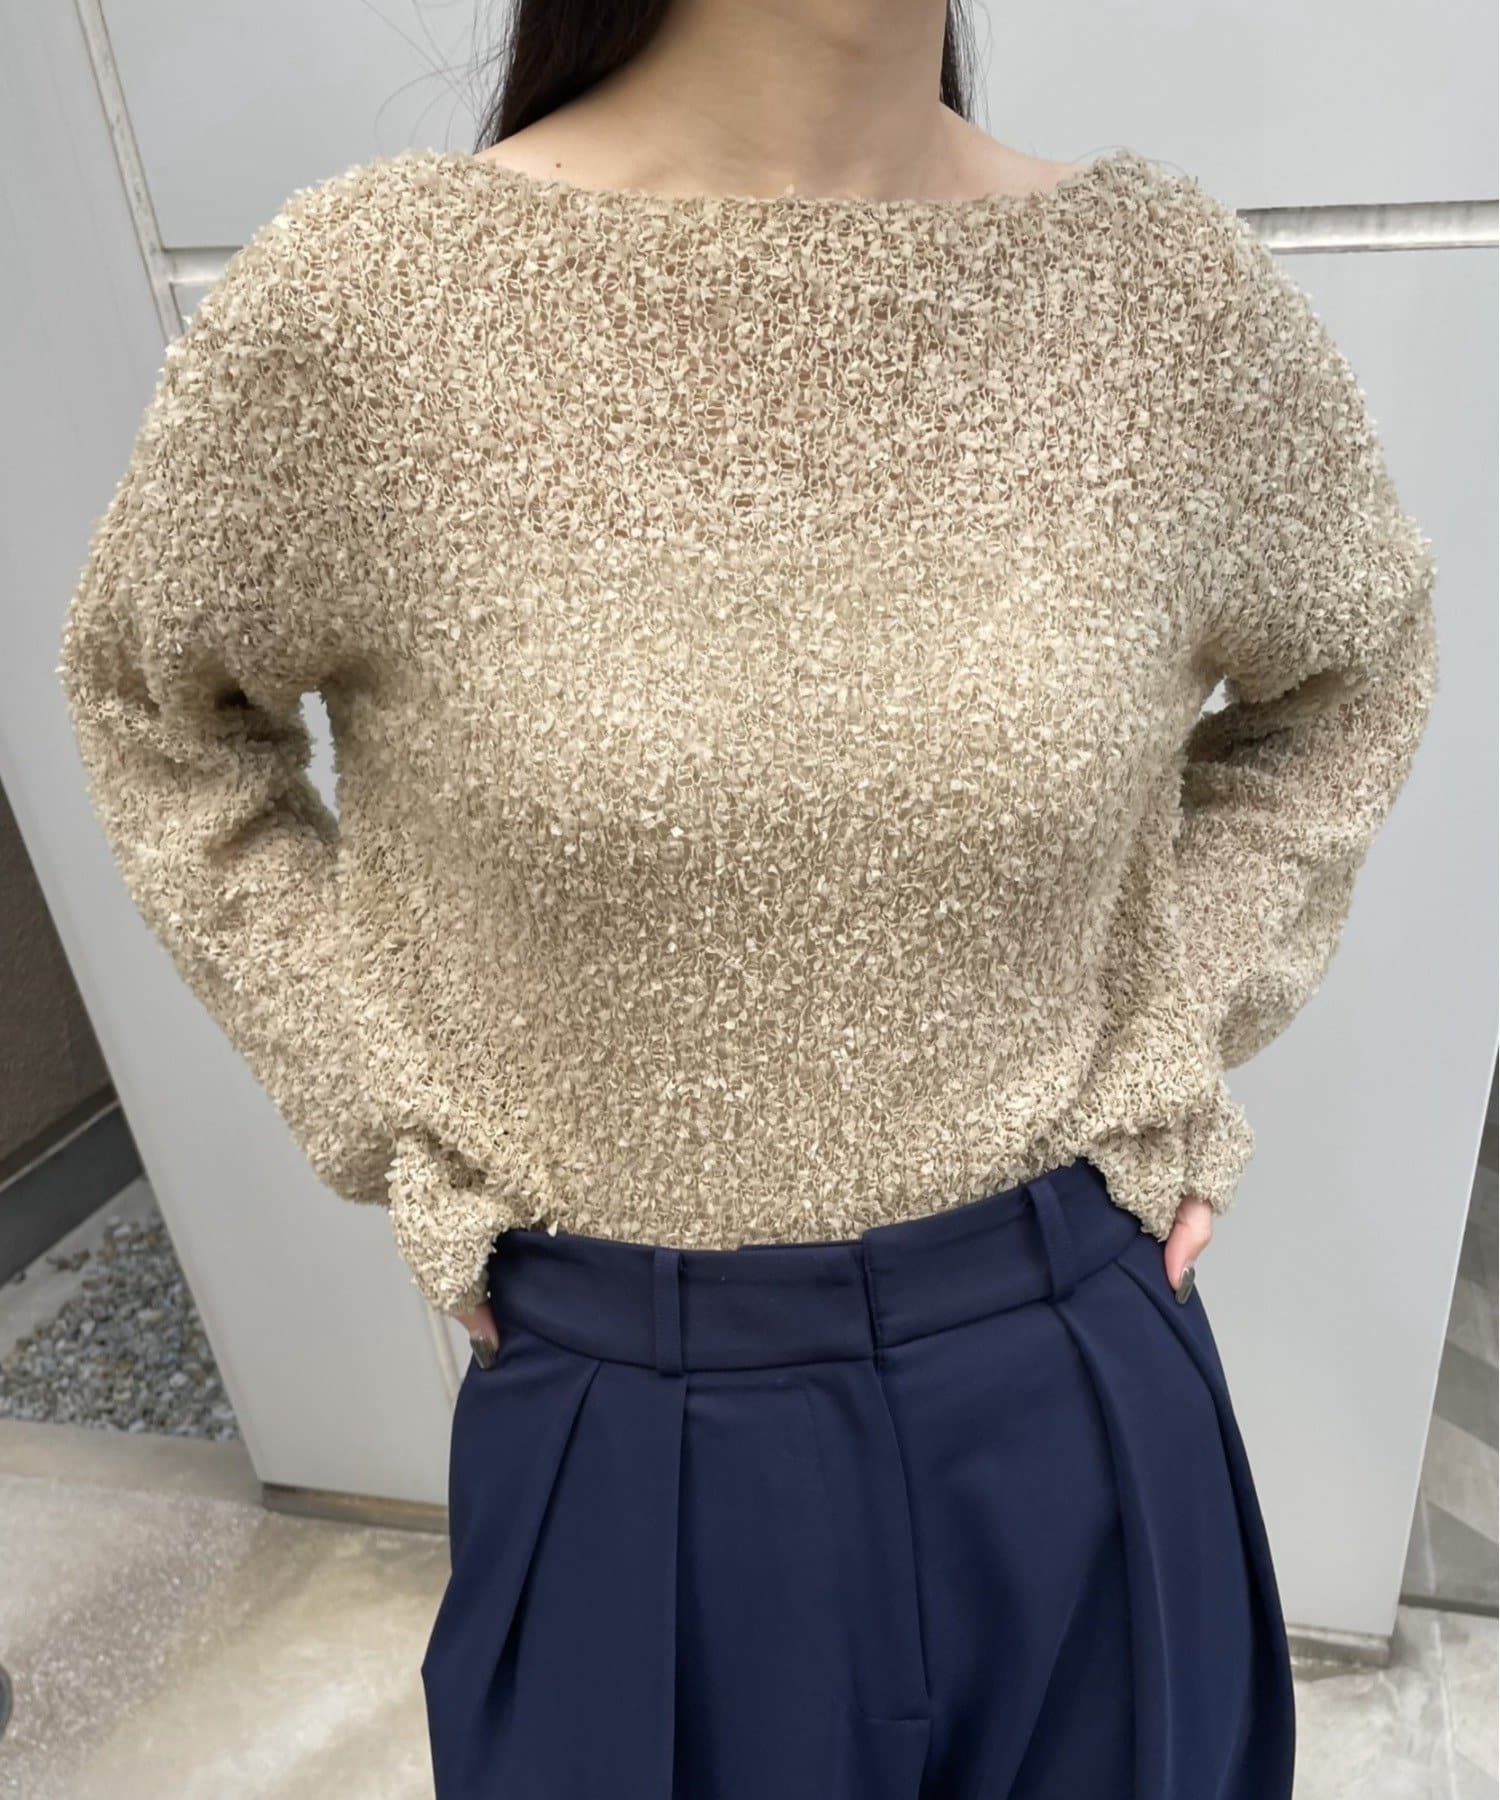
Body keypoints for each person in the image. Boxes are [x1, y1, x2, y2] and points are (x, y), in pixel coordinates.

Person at [56, 0, 1441, 1793]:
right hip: (626, 1424)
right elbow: (154, 714)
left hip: (1080, 1398)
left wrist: (1174, 1018)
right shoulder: (366, 311)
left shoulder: (1162, 298)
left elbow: (1351, 668)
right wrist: (395, 1102)